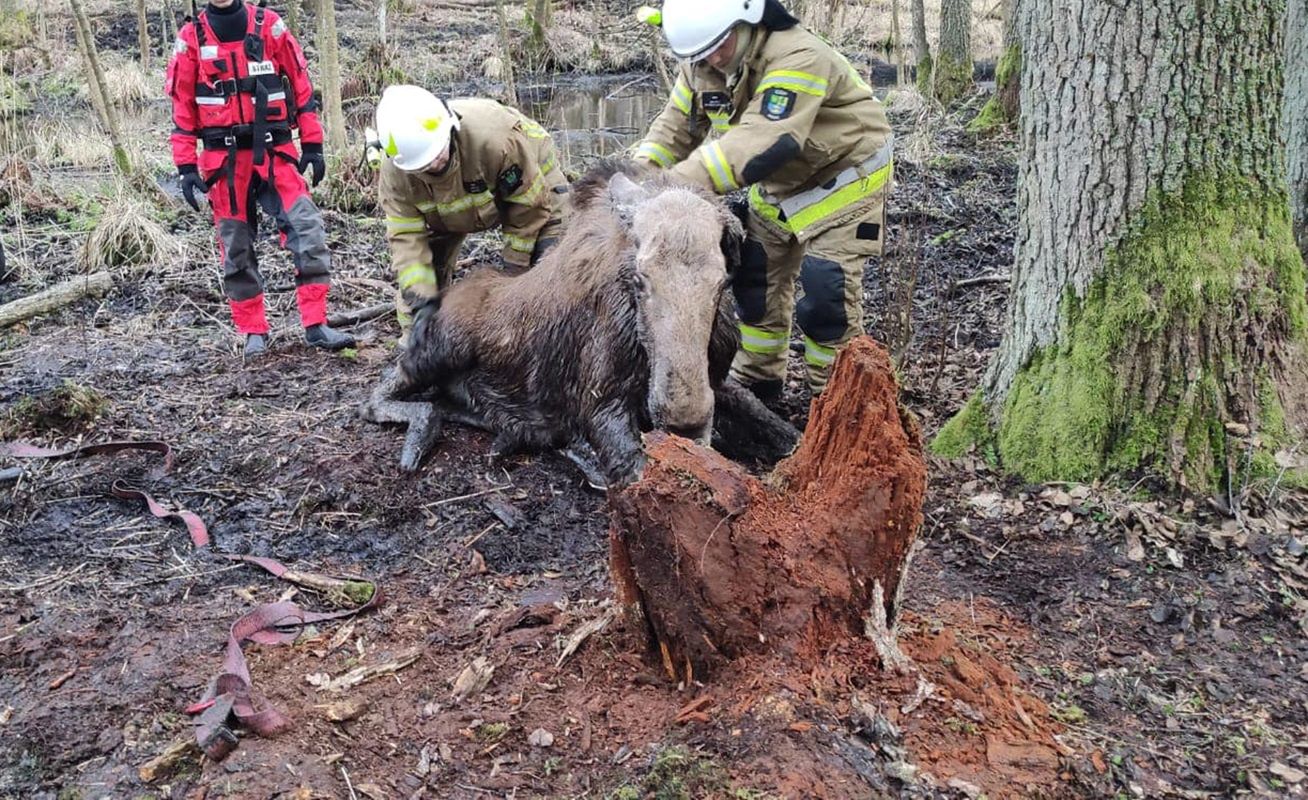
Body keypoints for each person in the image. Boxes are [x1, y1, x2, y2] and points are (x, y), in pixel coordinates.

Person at [634, 0, 894, 398]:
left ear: (748, 20)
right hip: (777, 183)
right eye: (701, 53)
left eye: (720, 46)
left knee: (827, 296)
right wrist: (638, 175)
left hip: (842, 176)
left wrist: (670, 187)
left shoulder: (799, 56)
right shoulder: (703, 59)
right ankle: (758, 382)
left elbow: (765, 140)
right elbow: (673, 129)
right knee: (756, 284)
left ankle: (834, 401)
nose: (712, 58)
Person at [165, 0, 355, 357]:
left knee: (307, 229)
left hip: (275, 153)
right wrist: (186, 167)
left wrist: (312, 143)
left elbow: (301, 86)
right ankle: (253, 331)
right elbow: (182, 107)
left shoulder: (270, 26)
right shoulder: (191, 39)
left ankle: (316, 324)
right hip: (224, 162)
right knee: (235, 247)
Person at [372, 85, 569, 338]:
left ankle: (547, 342)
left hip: (532, 179)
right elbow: (406, 241)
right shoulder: (397, 173)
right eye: (425, 164)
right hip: (444, 212)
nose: (435, 163)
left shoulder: (495, 140)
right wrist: (422, 307)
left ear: (449, 128)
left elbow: (529, 208)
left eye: (437, 153)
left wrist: (512, 274)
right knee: (418, 299)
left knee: (547, 268)